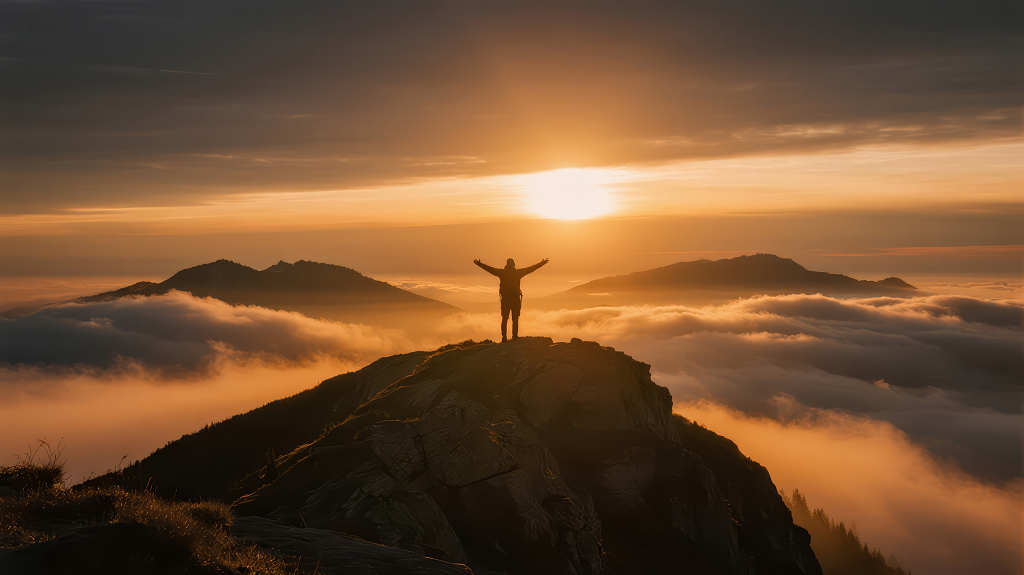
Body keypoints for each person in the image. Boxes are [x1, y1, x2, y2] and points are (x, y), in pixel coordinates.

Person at [473, 257, 549, 342]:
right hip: (515, 299)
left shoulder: (502, 273)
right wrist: (541, 264)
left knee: (504, 319)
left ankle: (504, 337)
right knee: (515, 319)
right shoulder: (518, 273)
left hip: (505, 300)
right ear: (514, 265)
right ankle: (515, 336)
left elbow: (491, 270)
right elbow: (530, 269)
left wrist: (480, 264)